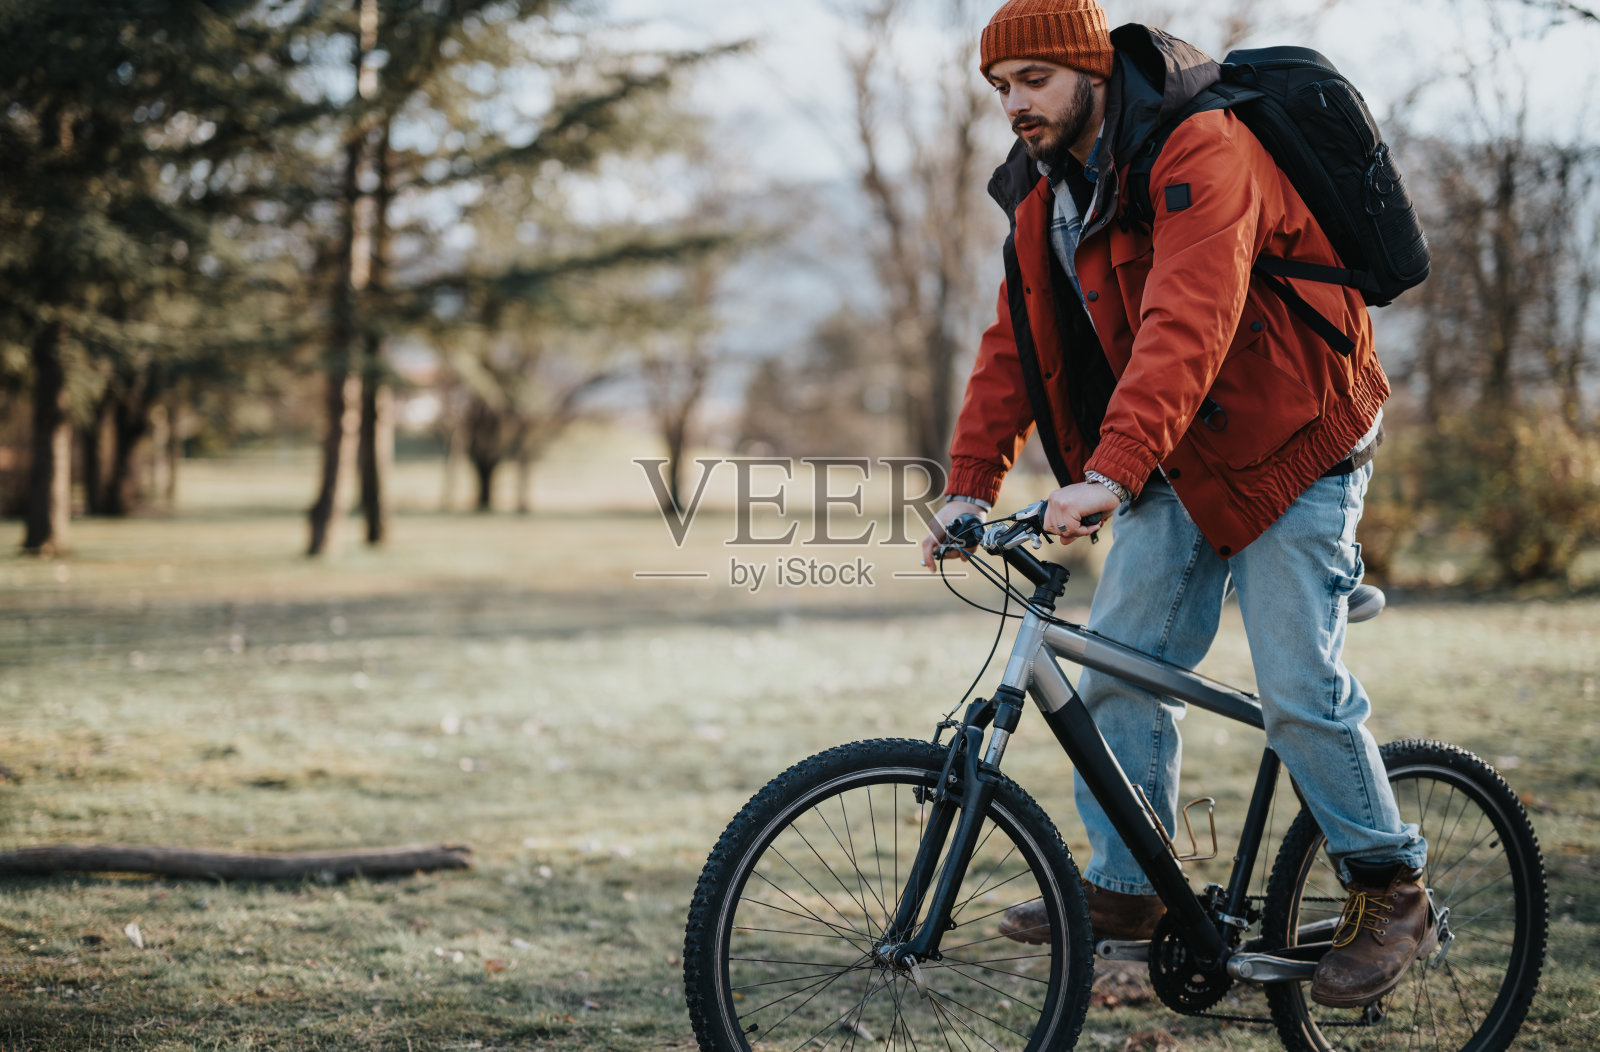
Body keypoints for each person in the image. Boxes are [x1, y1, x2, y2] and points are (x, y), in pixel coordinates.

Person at [919, 0, 1431, 1009]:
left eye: (1031, 80)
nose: (1013, 105)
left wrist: (1108, 470)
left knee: (1295, 685)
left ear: (1087, 67)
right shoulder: (1041, 191)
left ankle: (1390, 884)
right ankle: (1129, 885)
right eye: (998, 88)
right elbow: (1014, 347)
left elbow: (1188, 317)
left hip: (1294, 439)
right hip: (1178, 453)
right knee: (1117, 668)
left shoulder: (1204, 142)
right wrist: (967, 487)